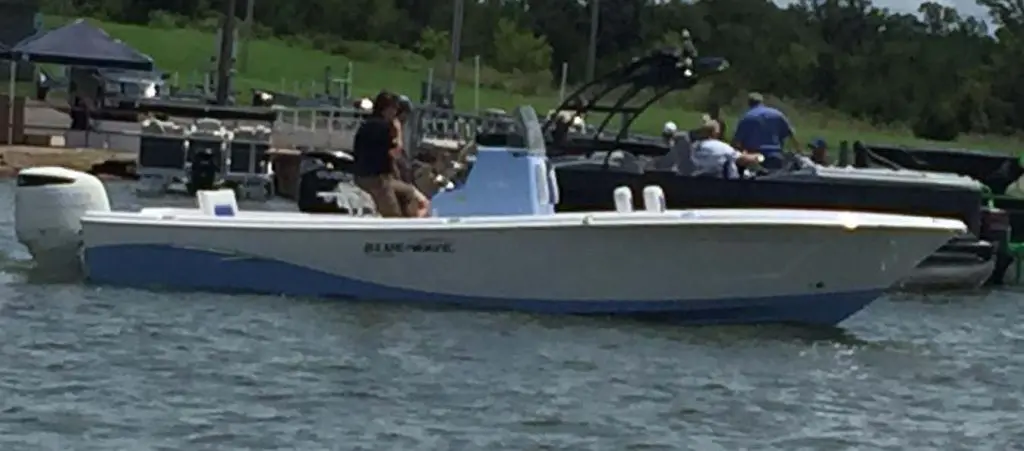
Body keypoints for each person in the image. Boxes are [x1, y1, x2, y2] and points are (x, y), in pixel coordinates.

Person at [352, 90, 428, 218]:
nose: (395, 113)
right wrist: (398, 130)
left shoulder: (366, 125)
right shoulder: (384, 127)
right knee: (394, 216)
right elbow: (396, 152)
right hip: (376, 180)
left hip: (363, 177)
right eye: (394, 109)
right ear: (386, 109)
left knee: (409, 192)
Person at [731, 92, 799, 170]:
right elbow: (791, 134)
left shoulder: (746, 117)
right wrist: (799, 151)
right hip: (775, 155)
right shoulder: (777, 114)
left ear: (749, 103)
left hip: (754, 158)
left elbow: (737, 142)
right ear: (762, 102)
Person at [691, 115, 763, 179]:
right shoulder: (720, 146)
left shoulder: (694, 146)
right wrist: (760, 157)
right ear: (716, 133)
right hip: (724, 186)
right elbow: (742, 159)